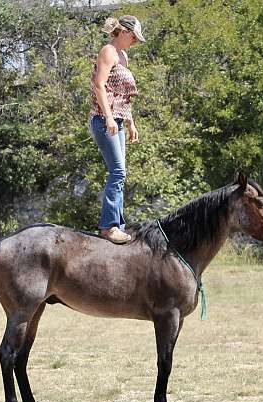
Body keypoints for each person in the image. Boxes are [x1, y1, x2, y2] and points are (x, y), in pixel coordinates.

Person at [89, 15, 145, 244]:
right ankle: (108, 227)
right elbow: (99, 85)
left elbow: (122, 95)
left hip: (118, 120)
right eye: (133, 37)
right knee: (118, 172)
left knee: (121, 173)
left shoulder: (123, 56)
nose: (135, 41)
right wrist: (110, 118)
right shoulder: (108, 51)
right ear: (123, 32)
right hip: (104, 120)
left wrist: (129, 122)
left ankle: (118, 224)